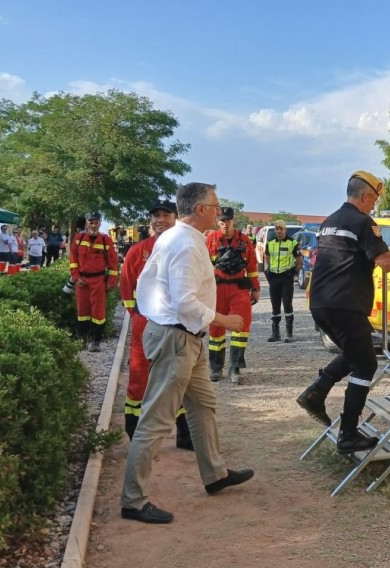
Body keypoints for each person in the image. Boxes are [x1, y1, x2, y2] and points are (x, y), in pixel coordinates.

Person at [120, 182, 254, 525]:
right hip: (175, 338)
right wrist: (226, 319)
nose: (218, 209)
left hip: (184, 339)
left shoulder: (181, 239)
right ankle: (133, 501)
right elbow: (184, 302)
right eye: (215, 204)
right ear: (200, 210)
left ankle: (215, 474)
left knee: (203, 406)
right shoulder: (184, 244)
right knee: (156, 421)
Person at [295, 171, 390, 454]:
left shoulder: (331, 221)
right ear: (366, 196)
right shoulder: (363, 222)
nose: (374, 206)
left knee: (356, 351)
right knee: (365, 364)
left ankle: (315, 394)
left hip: (321, 302)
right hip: (345, 304)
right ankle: (348, 434)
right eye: (375, 200)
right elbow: (387, 263)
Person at [119, 199, 193, 450]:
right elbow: (126, 289)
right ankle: (134, 434)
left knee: (178, 379)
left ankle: (184, 435)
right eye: (156, 215)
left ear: (176, 218)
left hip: (177, 327)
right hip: (145, 326)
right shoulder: (137, 252)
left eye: (166, 215)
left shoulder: (186, 248)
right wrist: (138, 316)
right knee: (139, 378)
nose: (160, 220)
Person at [205, 207, 260, 385]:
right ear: (217, 222)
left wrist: (256, 289)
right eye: (222, 221)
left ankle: (235, 367)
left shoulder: (244, 240)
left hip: (238, 288)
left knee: (241, 327)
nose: (225, 224)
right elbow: (202, 265)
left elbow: (251, 266)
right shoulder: (210, 240)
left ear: (233, 221)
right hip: (218, 288)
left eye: (228, 221)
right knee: (215, 329)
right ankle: (215, 367)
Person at [69, 212, 119, 351]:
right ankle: (82, 341)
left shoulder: (105, 240)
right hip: (81, 281)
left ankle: (96, 342)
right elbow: (73, 260)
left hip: (98, 281)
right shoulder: (78, 238)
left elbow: (113, 263)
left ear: (100, 224)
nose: (93, 225)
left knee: (98, 313)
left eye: (96, 222)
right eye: (91, 222)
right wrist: (76, 277)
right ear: (86, 223)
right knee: (82, 312)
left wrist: (111, 282)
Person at [264, 219, 302, 343]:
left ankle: (289, 333)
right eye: (276, 229)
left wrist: (293, 272)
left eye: (280, 229)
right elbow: (268, 258)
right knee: (275, 305)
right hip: (274, 277)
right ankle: (275, 333)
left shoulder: (293, 243)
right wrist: (270, 270)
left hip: (286, 277)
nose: (278, 231)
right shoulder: (270, 243)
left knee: (287, 304)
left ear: (285, 230)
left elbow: (299, 261)